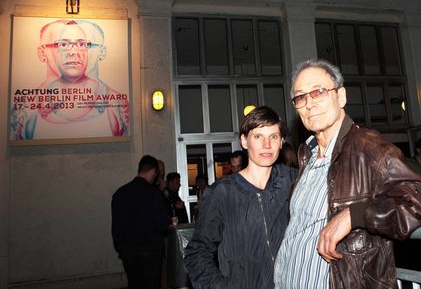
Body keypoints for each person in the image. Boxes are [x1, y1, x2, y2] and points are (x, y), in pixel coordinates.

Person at [274, 59, 421, 288]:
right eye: (301, 97)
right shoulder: (307, 156)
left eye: (319, 92)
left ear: (341, 97)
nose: (309, 104)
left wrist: (355, 214)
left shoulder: (365, 145)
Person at [184, 106, 297, 288]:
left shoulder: (293, 181)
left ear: (282, 142)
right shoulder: (222, 192)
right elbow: (197, 252)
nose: (266, 145)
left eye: (273, 136)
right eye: (258, 136)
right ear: (244, 141)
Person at [111, 155, 170, 289]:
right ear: (153, 171)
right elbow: (162, 224)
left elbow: (116, 228)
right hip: (151, 253)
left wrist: (122, 249)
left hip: (128, 253)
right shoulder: (154, 194)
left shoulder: (120, 193)